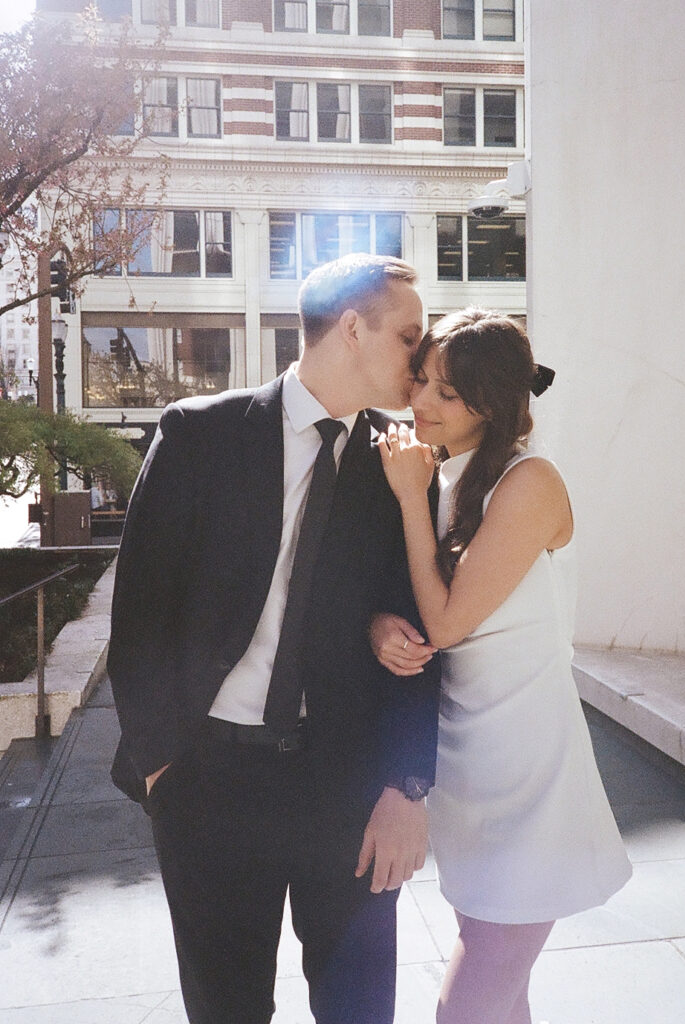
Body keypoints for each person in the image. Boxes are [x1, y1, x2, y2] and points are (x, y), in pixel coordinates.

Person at [107, 253, 440, 1024]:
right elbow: (142, 615)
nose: (420, 363)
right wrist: (163, 767)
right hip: (208, 782)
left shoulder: (401, 463)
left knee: (360, 1009)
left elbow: (422, 627)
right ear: (351, 329)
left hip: (348, 787)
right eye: (409, 339)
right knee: (226, 1011)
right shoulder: (202, 434)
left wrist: (407, 786)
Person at [372, 308, 632, 1024]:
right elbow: (403, 600)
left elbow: (448, 623)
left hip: (528, 770)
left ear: (489, 404)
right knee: (499, 983)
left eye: (445, 394)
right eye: (421, 380)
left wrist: (406, 500)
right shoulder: (447, 479)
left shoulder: (529, 481)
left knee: (469, 1003)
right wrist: (375, 625)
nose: (420, 401)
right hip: (464, 767)